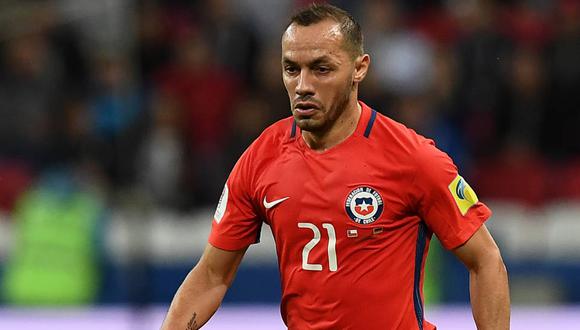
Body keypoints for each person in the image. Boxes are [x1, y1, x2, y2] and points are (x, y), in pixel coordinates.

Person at [161, 4, 510, 329]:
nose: (303, 86)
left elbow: (486, 261)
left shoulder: (413, 158)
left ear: (359, 68)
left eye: (321, 69)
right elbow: (211, 276)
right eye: (291, 69)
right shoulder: (261, 157)